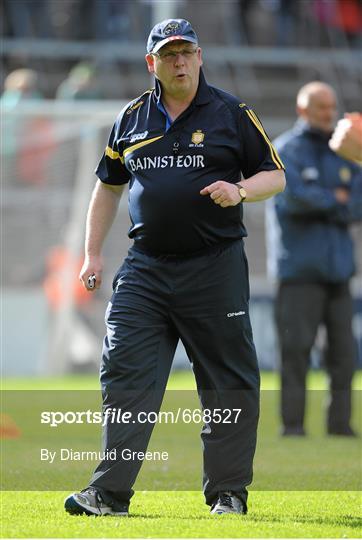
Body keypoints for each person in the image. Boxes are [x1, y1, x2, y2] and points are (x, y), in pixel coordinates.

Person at [64, 19, 285, 517]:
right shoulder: (132, 117)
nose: (179, 61)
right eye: (169, 54)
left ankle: (228, 495)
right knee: (124, 373)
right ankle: (108, 494)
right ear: (153, 64)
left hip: (214, 267)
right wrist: (93, 253)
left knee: (227, 383)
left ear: (200, 57)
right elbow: (108, 185)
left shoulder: (232, 113)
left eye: (187, 52)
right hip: (144, 269)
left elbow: (276, 175)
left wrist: (241, 190)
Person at [266, 81, 362, 437]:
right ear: (302, 109)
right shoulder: (285, 150)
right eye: (322, 107)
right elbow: (294, 200)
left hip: (338, 272)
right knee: (295, 352)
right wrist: (336, 199)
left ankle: (340, 426)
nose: (329, 113)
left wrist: (332, 200)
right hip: (298, 272)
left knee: (344, 357)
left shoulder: (345, 151)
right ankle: (293, 426)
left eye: (332, 106)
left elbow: (357, 203)